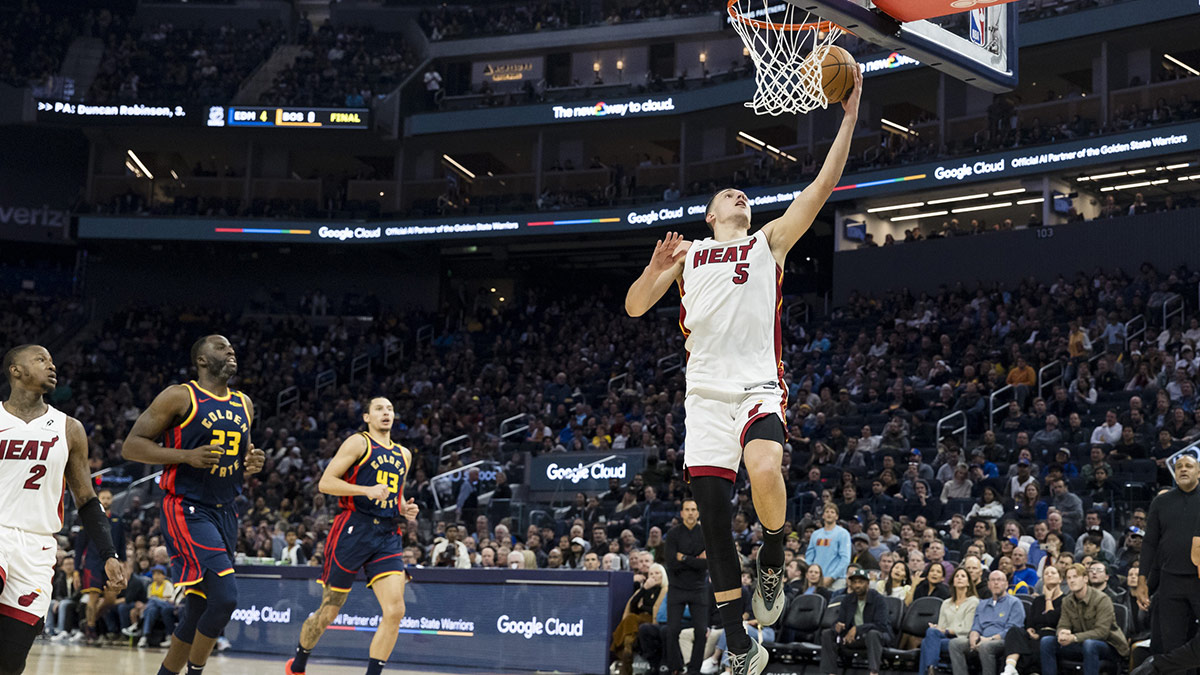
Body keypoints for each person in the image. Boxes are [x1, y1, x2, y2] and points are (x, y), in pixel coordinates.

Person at [624, 61, 862, 675]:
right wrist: (655, 269)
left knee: (765, 467)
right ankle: (738, 646)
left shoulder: (769, 242)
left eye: (744, 194)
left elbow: (821, 186)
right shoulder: (689, 253)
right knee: (714, 525)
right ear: (709, 213)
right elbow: (633, 306)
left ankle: (776, 553)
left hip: (757, 385)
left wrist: (851, 114)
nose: (739, 195)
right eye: (727, 194)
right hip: (702, 398)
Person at [123, 335, 265, 675]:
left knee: (201, 605)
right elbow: (131, 446)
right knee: (226, 598)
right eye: (221, 347)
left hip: (226, 510)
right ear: (201, 360)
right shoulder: (179, 396)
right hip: (186, 506)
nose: (231, 350)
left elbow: (240, 450)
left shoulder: (244, 403)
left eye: (232, 346)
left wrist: (252, 459)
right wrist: (185, 456)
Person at [0, 344, 126, 673]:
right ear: (15, 370)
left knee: (11, 660)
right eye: (41, 360)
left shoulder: (69, 429)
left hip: (37, 545)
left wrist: (109, 552)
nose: (51, 366)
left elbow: (85, 498)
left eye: (52, 361)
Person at [285, 396, 419, 675]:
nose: (386, 413)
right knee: (330, 609)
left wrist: (405, 507)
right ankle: (298, 663)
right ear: (367, 417)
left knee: (395, 611)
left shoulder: (404, 454)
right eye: (380, 409)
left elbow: (396, 494)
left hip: (387, 533)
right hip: (352, 528)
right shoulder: (359, 443)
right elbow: (326, 483)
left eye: (391, 409)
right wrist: (365, 490)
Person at [1134, 453, 1200, 672]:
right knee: (1172, 643)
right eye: (1179, 466)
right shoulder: (1161, 502)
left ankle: (1158, 666)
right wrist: (1143, 581)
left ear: (1198, 472)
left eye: (1188, 466)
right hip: (1170, 581)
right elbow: (1150, 544)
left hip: (1199, 579)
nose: (1182, 469)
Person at [1039, 564, 1129, 675]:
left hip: (1108, 646)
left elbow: (1102, 633)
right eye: (1069, 578)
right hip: (1081, 643)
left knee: (1090, 644)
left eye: (1075, 577)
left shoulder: (1102, 599)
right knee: (1046, 641)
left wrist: (1074, 637)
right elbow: (1063, 624)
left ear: (1085, 579)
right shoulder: (1067, 600)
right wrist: (1062, 633)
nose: (1072, 581)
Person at [664, 499, 710, 675]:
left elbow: (707, 564)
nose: (690, 513)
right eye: (687, 510)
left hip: (699, 589)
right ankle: (675, 668)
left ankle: (694, 670)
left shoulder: (705, 533)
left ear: (698, 513)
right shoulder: (673, 534)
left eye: (693, 509)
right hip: (677, 587)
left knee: (700, 631)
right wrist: (695, 560)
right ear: (682, 513)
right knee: (672, 630)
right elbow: (671, 563)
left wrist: (683, 558)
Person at [949, 571, 1026, 675]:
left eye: (999, 580)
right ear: (989, 585)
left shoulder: (1014, 602)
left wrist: (990, 639)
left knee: (986, 647)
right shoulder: (982, 604)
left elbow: (1013, 630)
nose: (996, 583)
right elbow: (976, 625)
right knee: (955, 644)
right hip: (981, 639)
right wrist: (973, 636)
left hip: (1002, 641)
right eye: (993, 580)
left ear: (1006, 584)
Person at [75, 487, 126, 642]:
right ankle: (90, 630)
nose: (105, 501)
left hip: (112, 562)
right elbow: (79, 546)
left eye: (108, 498)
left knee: (110, 599)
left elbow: (121, 544)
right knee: (93, 598)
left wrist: (123, 563)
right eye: (103, 498)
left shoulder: (118, 520)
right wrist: (77, 570)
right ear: (98, 499)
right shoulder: (90, 519)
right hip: (92, 563)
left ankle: (89, 623)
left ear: (112, 500)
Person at [819, 569, 892, 675]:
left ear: (867, 583)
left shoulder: (878, 599)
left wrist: (857, 629)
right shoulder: (847, 599)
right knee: (827, 633)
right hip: (852, 637)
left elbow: (881, 625)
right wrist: (837, 626)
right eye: (854, 582)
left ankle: (874, 672)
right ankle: (830, 673)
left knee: (873, 634)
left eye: (861, 582)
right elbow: (840, 620)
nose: (857, 585)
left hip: (876, 637)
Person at [1001, 563, 1064, 675]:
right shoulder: (1038, 600)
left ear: (1060, 579)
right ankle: (1010, 667)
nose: (1049, 575)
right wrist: (1030, 629)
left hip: (1053, 637)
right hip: (1035, 636)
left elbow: (1051, 620)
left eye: (1053, 573)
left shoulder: (1065, 600)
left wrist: (1048, 598)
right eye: (1046, 573)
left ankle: (1021, 670)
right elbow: (1030, 621)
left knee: (1035, 646)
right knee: (1014, 631)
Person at [919, 567, 980, 675]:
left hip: (962, 639)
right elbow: (941, 626)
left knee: (926, 643)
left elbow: (967, 629)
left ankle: (930, 670)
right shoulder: (946, 603)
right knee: (931, 632)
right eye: (957, 576)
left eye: (963, 576)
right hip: (945, 638)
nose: (959, 578)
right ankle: (932, 669)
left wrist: (945, 631)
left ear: (968, 583)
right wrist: (937, 628)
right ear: (953, 582)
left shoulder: (973, 602)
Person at [611, 562, 667, 675]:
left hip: (653, 619)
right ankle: (628, 645)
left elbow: (657, 610)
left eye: (657, 573)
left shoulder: (665, 590)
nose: (654, 576)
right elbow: (633, 606)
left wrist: (643, 606)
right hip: (638, 619)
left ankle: (625, 647)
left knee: (631, 619)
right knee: (631, 618)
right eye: (651, 574)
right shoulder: (645, 590)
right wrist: (643, 589)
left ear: (663, 575)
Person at [807, 504, 851, 589]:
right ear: (823, 515)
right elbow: (809, 557)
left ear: (837, 516)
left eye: (832, 512)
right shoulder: (815, 534)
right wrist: (813, 574)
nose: (829, 514)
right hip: (816, 579)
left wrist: (832, 577)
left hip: (837, 580)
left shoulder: (843, 533)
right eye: (827, 511)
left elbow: (845, 559)